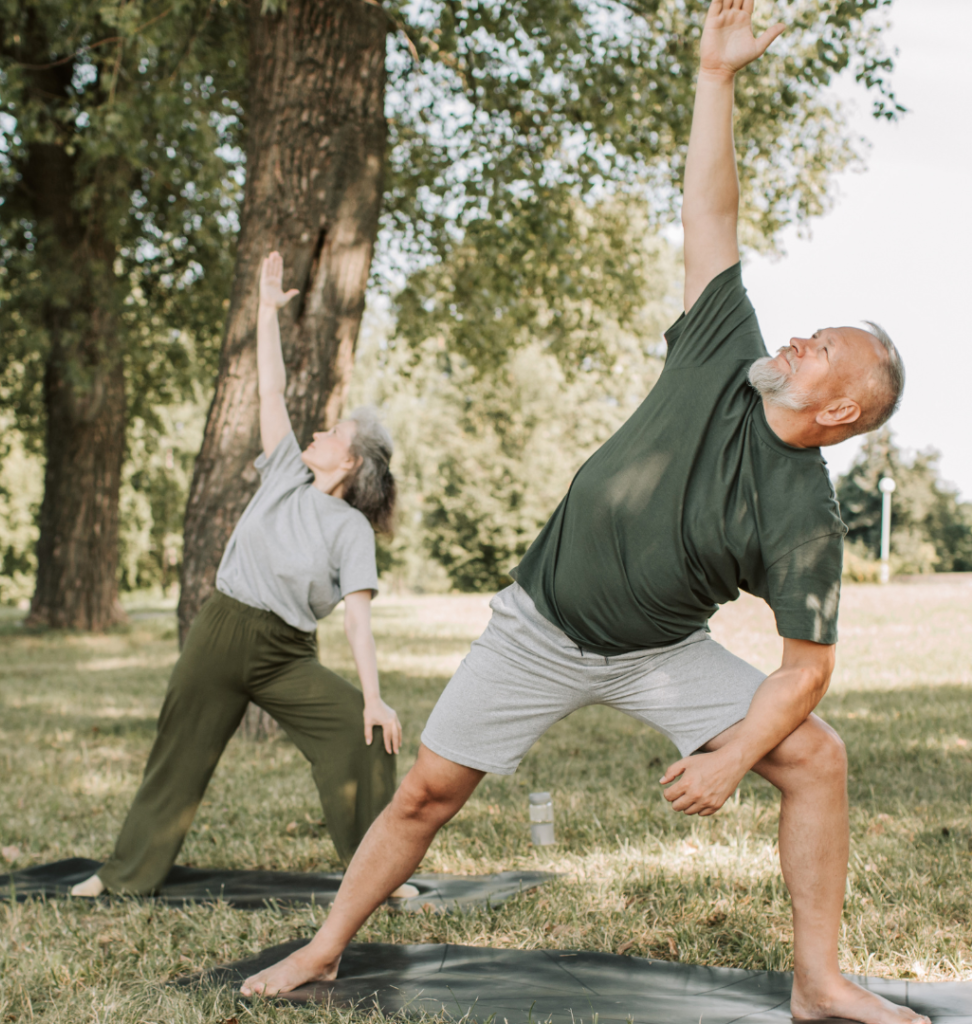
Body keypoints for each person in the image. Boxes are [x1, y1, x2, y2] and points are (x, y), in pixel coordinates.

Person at [238, 4, 924, 1023]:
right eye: (811, 330)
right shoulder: (721, 349)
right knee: (426, 793)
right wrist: (714, 78)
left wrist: (731, 754)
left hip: (656, 650)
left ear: (835, 412)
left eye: (821, 349)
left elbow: (805, 669)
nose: (797, 339)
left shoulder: (805, 518)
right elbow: (708, 216)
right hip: (539, 625)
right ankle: (326, 948)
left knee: (816, 756)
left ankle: (819, 984)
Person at [72, 251, 412, 899]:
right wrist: (264, 314)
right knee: (178, 752)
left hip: (286, 654)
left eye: (333, 431)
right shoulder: (285, 468)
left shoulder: (351, 531)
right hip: (222, 632)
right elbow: (272, 389)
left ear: (351, 462)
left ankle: (380, 877)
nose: (317, 429)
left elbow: (360, 621)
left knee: (359, 731)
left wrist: (373, 695)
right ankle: (123, 876)